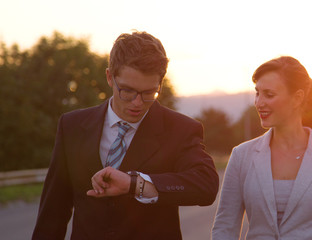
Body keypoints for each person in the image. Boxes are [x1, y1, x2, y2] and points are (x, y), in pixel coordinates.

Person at [32, 31, 219, 240]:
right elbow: (53, 212)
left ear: (161, 84)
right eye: (127, 91)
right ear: (110, 77)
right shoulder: (72, 126)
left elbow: (206, 186)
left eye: (149, 93)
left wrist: (135, 184)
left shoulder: (181, 129)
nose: (137, 103)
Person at [212, 56, 312, 239]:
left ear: (297, 98)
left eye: (269, 94)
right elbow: (224, 228)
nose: (259, 103)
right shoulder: (241, 156)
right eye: (257, 93)